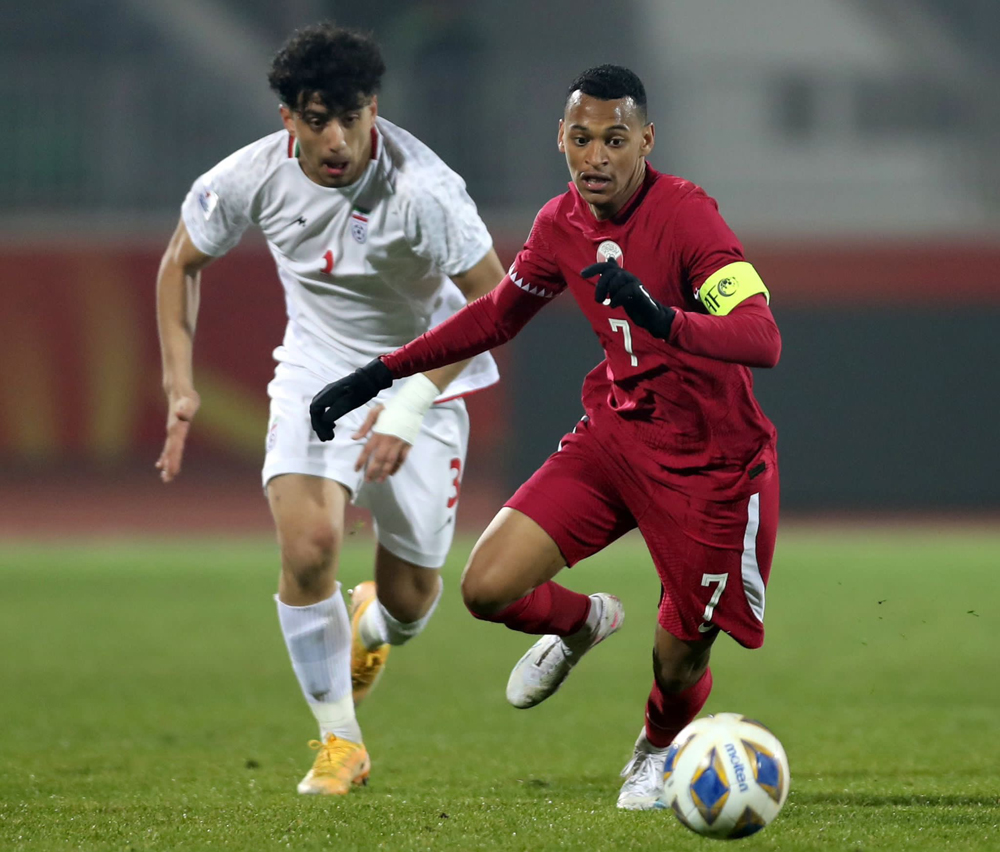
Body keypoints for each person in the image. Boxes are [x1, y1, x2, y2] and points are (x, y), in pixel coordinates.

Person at [310, 64, 781, 810]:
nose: (596, 156)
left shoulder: (688, 216)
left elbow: (762, 336)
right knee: (487, 587)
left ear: (646, 142)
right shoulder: (560, 224)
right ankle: (584, 621)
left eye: (615, 140)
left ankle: (656, 752)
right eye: (582, 138)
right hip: (616, 439)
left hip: (711, 466)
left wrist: (664, 319)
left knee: (679, 659)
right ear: (560, 137)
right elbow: (496, 316)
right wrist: (380, 373)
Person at [155, 23, 505, 795]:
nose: (338, 138)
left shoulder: (424, 189)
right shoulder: (251, 176)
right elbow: (181, 261)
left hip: (424, 374)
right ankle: (340, 741)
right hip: (317, 375)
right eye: (318, 120)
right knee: (310, 546)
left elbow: (497, 299)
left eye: (353, 116)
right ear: (289, 118)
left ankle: (375, 622)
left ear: (374, 107)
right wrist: (180, 382)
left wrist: (411, 403)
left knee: (412, 602)